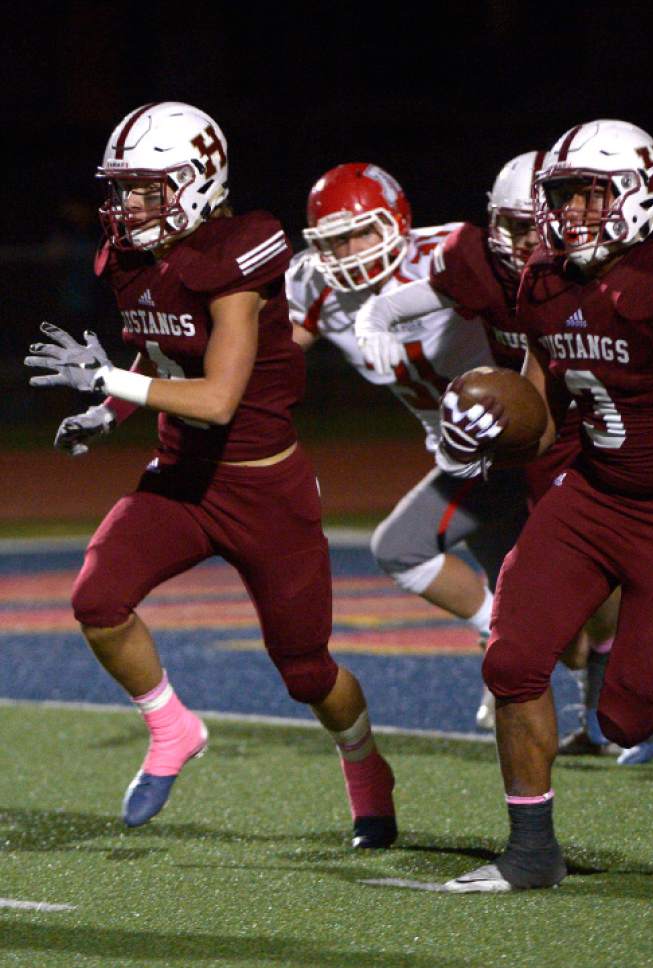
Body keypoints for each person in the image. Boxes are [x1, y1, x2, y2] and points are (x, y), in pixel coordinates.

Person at [24, 102, 397, 848]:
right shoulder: (131, 257)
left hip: (263, 488)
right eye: (122, 187)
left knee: (304, 670)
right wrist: (110, 408)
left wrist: (106, 378)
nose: (126, 205)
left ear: (197, 184)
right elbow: (162, 351)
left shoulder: (239, 253)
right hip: (183, 480)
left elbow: (219, 396)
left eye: (145, 188)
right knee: (97, 596)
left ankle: (365, 766)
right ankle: (171, 726)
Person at [435, 119, 653, 891]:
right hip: (591, 495)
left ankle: (631, 658)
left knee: (625, 722)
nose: (576, 215)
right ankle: (530, 852)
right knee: (514, 661)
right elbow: (543, 416)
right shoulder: (545, 282)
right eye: (564, 197)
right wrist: (488, 434)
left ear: (642, 192)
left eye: (594, 195)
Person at [354, 153, 653, 762]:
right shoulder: (476, 265)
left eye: (533, 226)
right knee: (411, 549)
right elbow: (383, 309)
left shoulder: (592, 274)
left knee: (596, 596)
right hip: (510, 451)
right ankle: (524, 663)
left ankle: (615, 703)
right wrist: (375, 343)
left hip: (586, 448)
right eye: (511, 225)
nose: (522, 241)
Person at [288, 162, 530, 730]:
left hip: (517, 444)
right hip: (459, 457)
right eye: (333, 241)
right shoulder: (315, 283)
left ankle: (538, 662)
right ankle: (521, 651)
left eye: (359, 233)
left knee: (404, 548)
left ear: (395, 220)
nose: (346, 252)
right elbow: (270, 362)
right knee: (527, 607)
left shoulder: (449, 255)